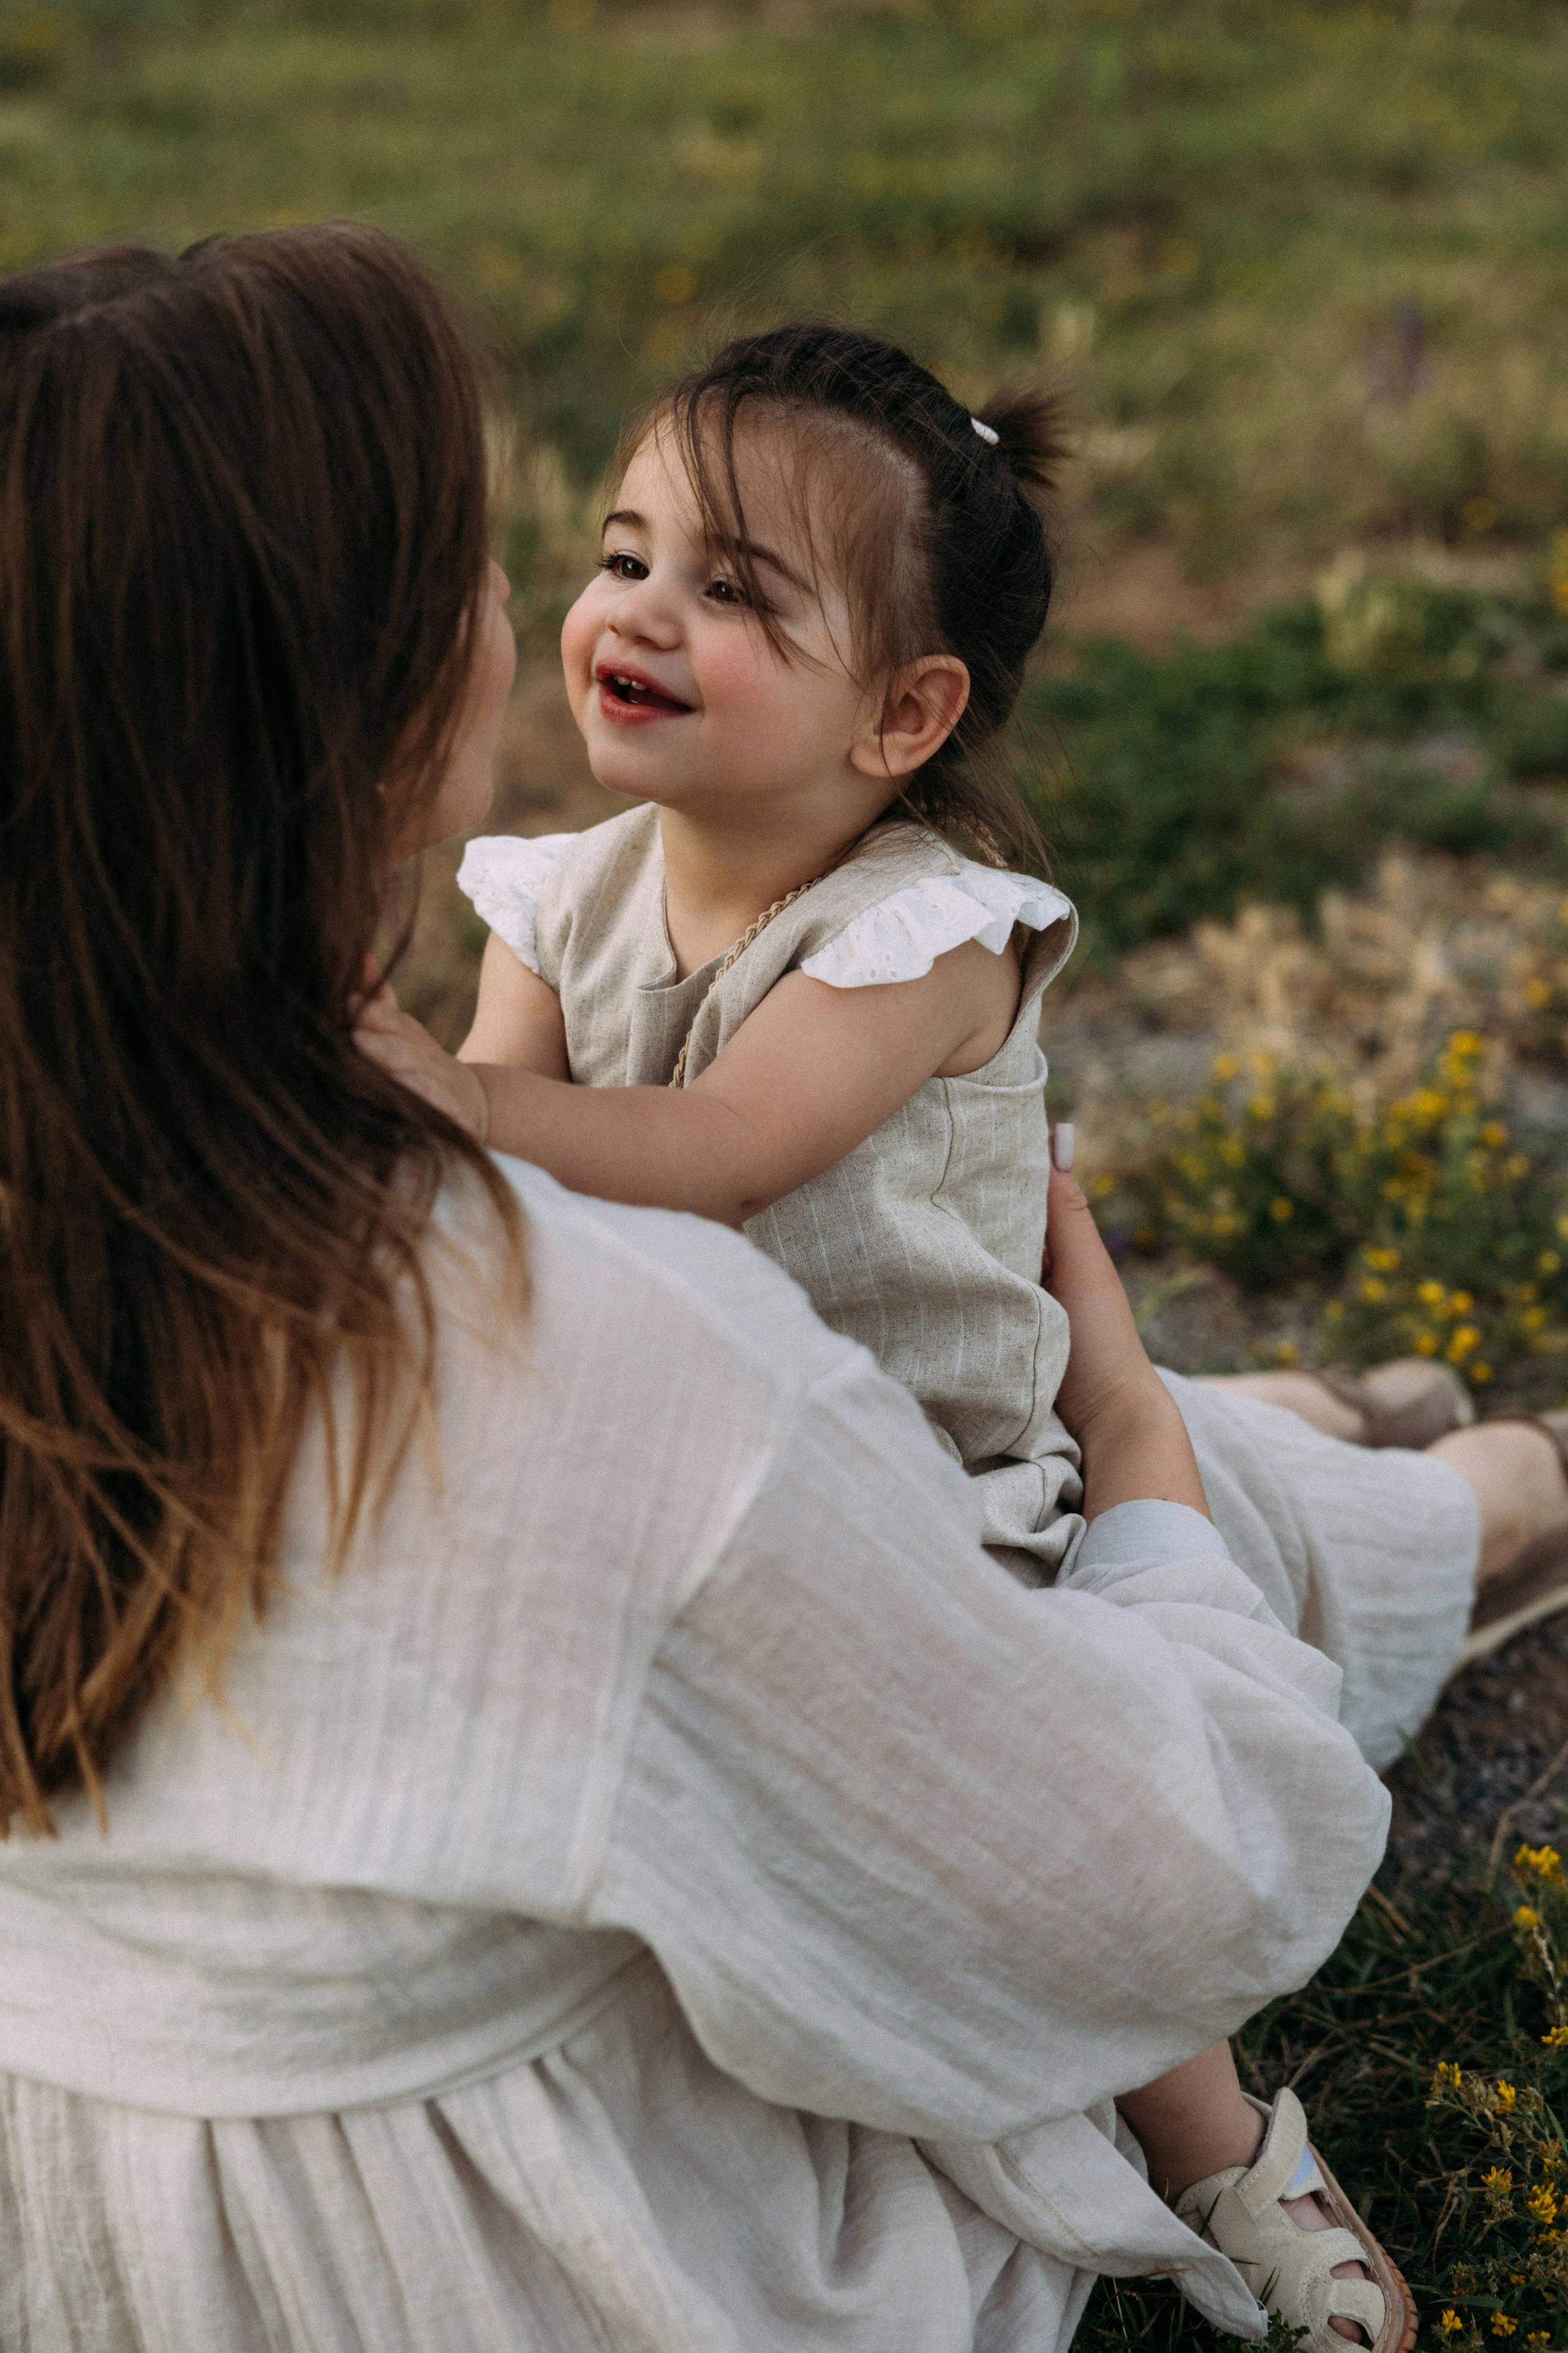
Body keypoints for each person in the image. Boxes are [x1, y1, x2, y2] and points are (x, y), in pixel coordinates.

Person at [0, 225, 1543, 2353]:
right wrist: (1134, 1429)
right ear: (363, 701)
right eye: (575, 553)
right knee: (1175, 1553)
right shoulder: (607, 1342)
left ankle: (1411, 1473)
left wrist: (424, 1094)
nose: (596, 605)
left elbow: (653, 1151)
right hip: (509, 2227)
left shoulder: (890, 944)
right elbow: (1136, 1874)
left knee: (1198, 1480)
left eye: (726, 585)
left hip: (89, 2224)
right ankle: (1462, 1512)